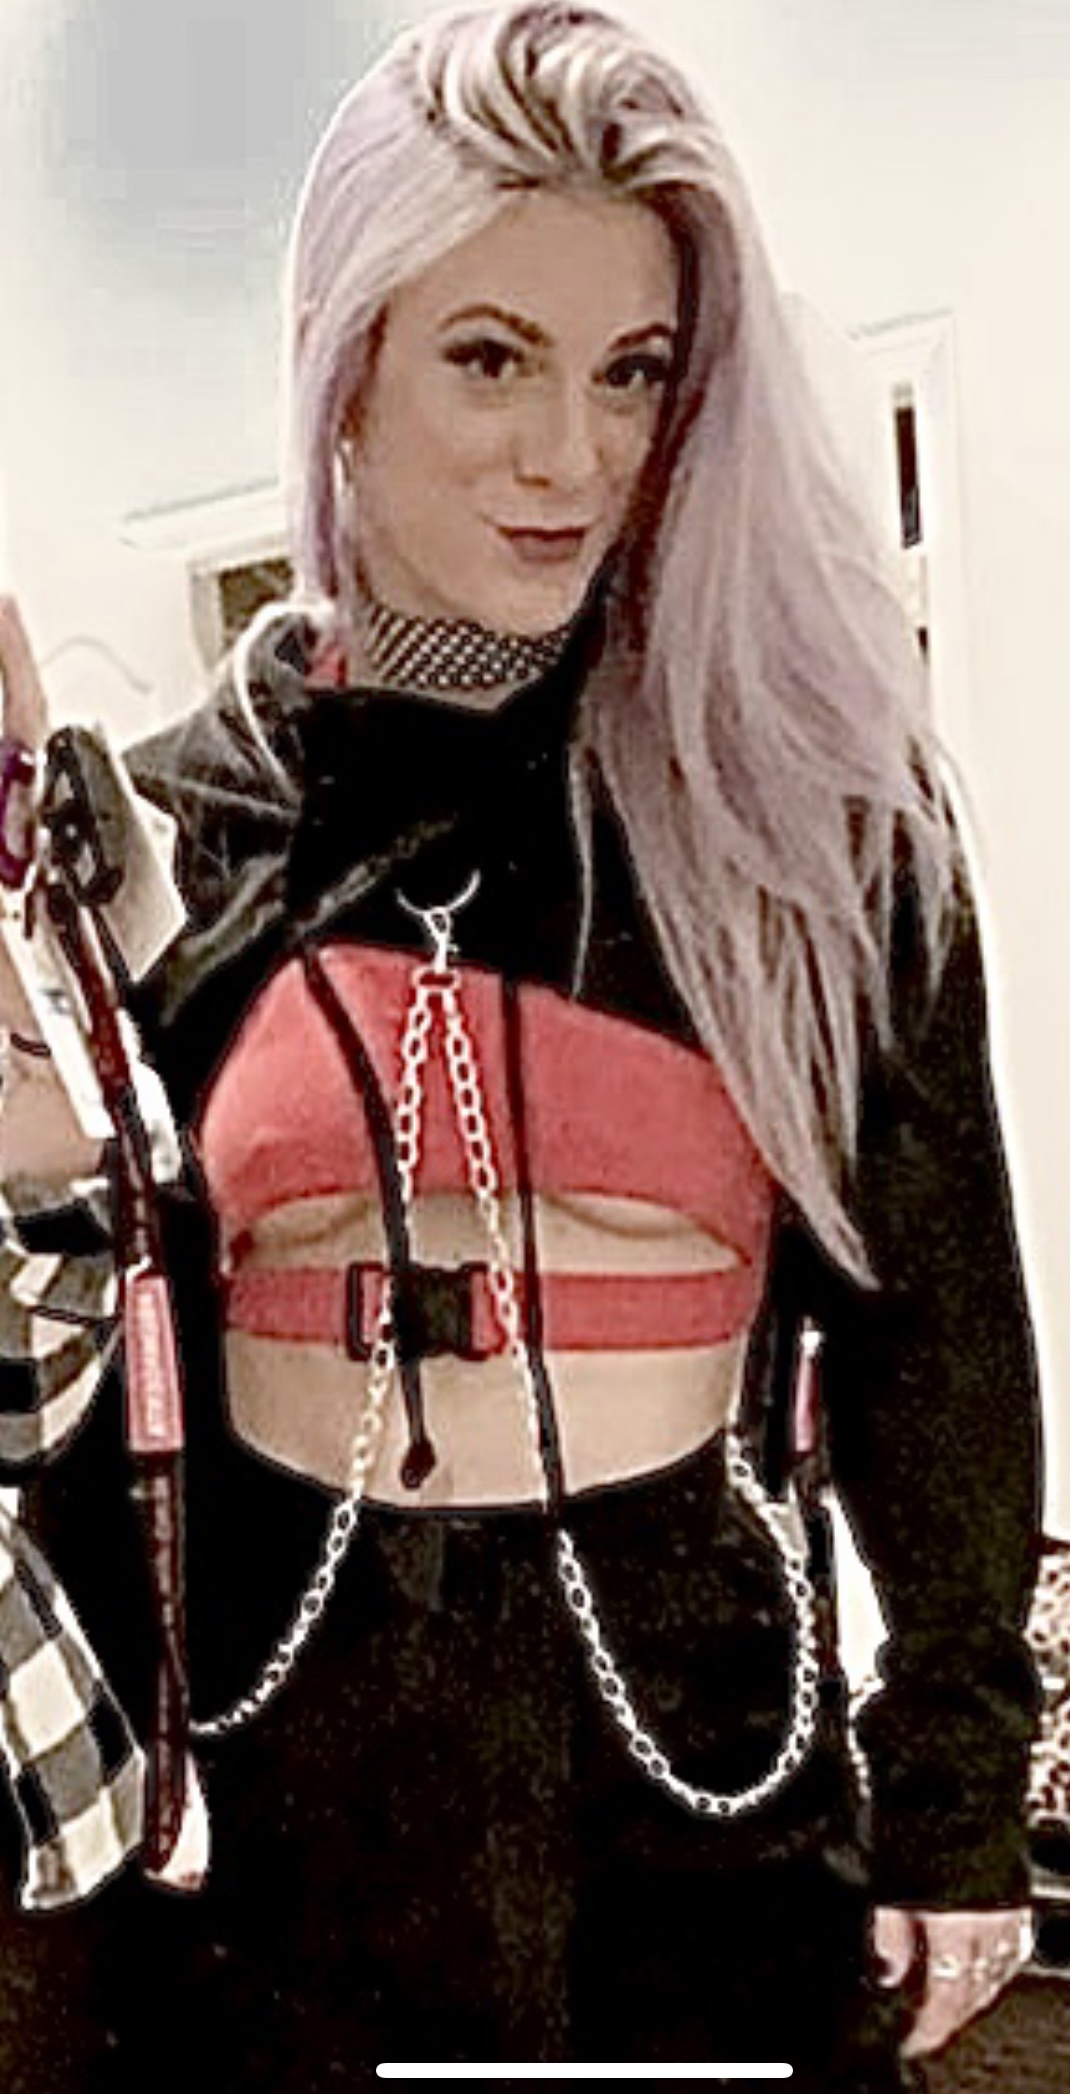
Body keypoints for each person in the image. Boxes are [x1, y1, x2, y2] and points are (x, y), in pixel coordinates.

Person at [0, 3, 1042, 2085]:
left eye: (631, 370)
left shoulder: (812, 830)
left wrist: (957, 1787)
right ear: (347, 366)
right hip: (276, 1805)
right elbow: (98, 1382)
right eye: (491, 357)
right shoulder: (179, 832)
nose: (570, 453)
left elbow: (935, 1327)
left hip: (694, 1776)